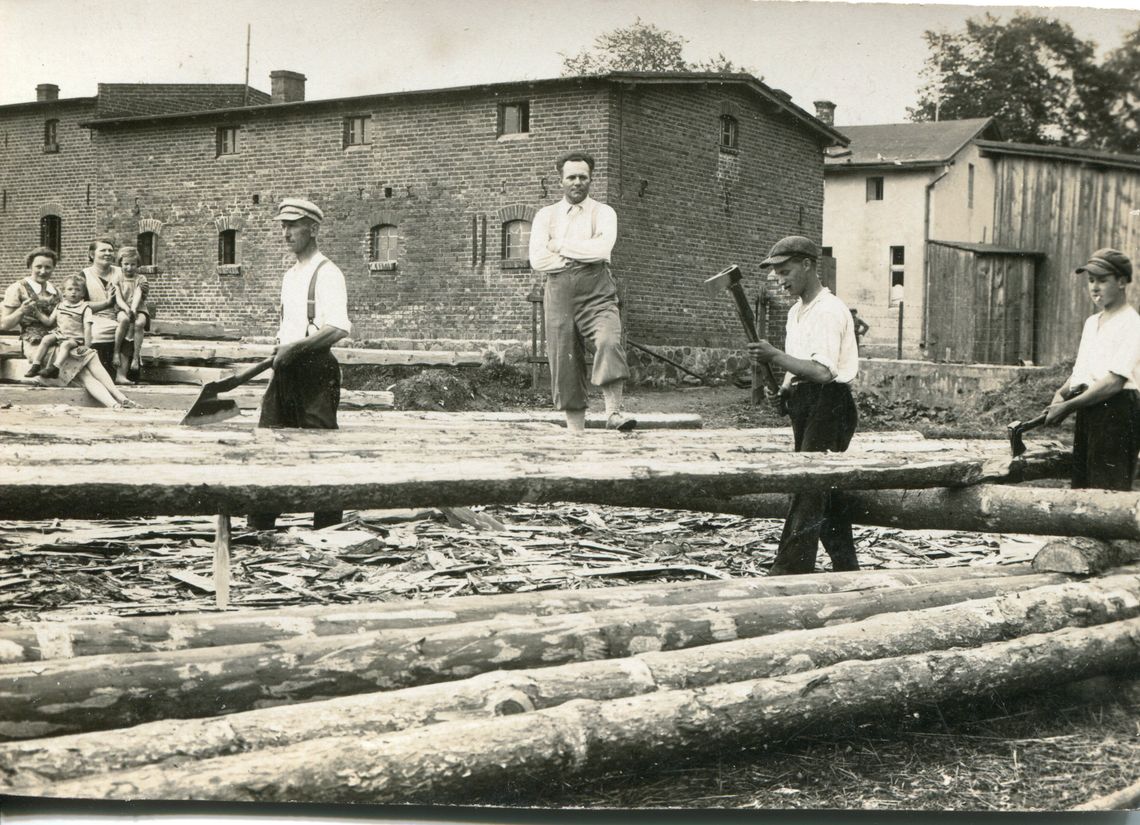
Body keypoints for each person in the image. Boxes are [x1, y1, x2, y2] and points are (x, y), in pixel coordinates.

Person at [748, 236, 860, 575]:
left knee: (808, 486)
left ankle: (790, 570)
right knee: (824, 488)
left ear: (808, 265)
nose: (781, 281)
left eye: (786, 272)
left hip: (831, 404)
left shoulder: (828, 310)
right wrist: (782, 389)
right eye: (777, 274)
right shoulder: (797, 312)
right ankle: (846, 566)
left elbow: (823, 371)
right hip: (806, 402)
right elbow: (798, 364)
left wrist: (775, 356)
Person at [247, 198, 351, 531]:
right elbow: (288, 328)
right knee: (270, 445)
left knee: (321, 450)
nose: (286, 232)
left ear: (314, 229)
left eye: (293, 225)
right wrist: (283, 352)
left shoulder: (328, 273)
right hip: (286, 368)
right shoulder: (291, 276)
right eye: (283, 226)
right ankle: (261, 528)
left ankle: (327, 529)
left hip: (316, 371)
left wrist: (295, 349)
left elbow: (337, 328)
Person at [528, 151, 635, 433]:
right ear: (561, 180)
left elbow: (601, 250)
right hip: (559, 294)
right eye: (571, 177)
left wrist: (559, 245)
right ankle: (576, 434)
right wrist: (579, 252)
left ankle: (613, 413)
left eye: (583, 177)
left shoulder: (604, 212)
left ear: (591, 179)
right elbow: (537, 260)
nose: (577, 182)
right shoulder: (545, 216)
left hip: (597, 291)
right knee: (564, 360)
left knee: (609, 341)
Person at [1044, 248, 1140, 491]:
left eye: (1102, 280)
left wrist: (1068, 406)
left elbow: (1113, 382)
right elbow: (1082, 370)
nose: (1095, 287)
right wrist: (1061, 393)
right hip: (1089, 408)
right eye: (1091, 280)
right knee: (1083, 484)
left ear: (1121, 281)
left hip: (1118, 411)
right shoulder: (1091, 323)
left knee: (1108, 487)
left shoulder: (1132, 324)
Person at [1, 247, 138, 409]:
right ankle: (115, 404)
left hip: (61, 338)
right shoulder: (18, 288)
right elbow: (4, 324)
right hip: (37, 344)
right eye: (38, 266)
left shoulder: (55, 290)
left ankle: (120, 398)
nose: (43, 271)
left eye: (48, 267)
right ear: (30, 266)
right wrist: (21, 311)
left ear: (53, 268)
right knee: (83, 371)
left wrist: (108, 303)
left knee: (90, 356)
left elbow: (79, 306)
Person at [25, 275, 89, 379]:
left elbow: (87, 328)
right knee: (46, 339)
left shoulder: (85, 308)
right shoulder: (60, 306)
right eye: (70, 289)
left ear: (83, 294)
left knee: (65, 345)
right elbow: (49, 322)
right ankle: (35, 365)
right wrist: (36, 312)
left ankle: (55, 368)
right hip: (60, 334)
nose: (73, 292)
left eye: (78, 290)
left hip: (75, 338)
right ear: (63, 292)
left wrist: (86, 346)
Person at [80, 237, 125, 379]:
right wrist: (106, 303)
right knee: (95, 333)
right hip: (96, 316)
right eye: (103, 250)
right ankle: (98, 375)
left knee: (129, 329)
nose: (108, 253)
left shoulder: (121, 272)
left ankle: (123, 374)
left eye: (110, 250)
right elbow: (81, 306)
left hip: (119, 315)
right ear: (92, 254)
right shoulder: (84, 275)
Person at [113, 246, 154, 382]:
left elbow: (138, 294)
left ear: (137, 264)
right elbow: (118, 297)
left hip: (138, 308)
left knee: (140, 323)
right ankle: (116, 352)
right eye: (126, 264)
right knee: (124, 321)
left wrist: (134, 309)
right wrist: (126, 309)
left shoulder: (140, 278)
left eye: (133, 264)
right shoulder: (117, 278)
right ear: (120, 263)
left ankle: (136, 357)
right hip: (122, 307)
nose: (129, 268)